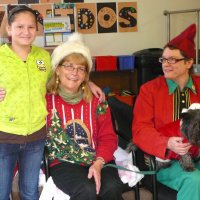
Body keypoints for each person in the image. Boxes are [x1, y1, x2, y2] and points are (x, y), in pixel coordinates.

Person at [0, 5, 104, 200]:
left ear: (36, 30)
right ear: (9, 29)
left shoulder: (43, 58)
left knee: (30, 192)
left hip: (36, 137)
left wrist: (88, 82)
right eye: (20, 27)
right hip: (5, 135)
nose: (26, 32)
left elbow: (61, 76)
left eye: (31, 27)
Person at [45, 32, 126, 200]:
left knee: (112, 186)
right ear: (57, 69)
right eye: (68, 66)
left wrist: (98, 163)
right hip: (62, 162)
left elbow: (108, 137)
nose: (75, 72)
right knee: (86, 189)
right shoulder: (45, 100)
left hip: (99, 158)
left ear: (85, 75)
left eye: (81, 68)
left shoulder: (97, 101)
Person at [132, 23, 200, 200]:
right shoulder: (149, 90)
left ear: (189, 62)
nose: (166, 64)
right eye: (163, 59)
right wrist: (167, 143)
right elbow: (140, 131)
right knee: (194, 180)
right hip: (165, 162)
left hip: (197, 154)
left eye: (173, 60)